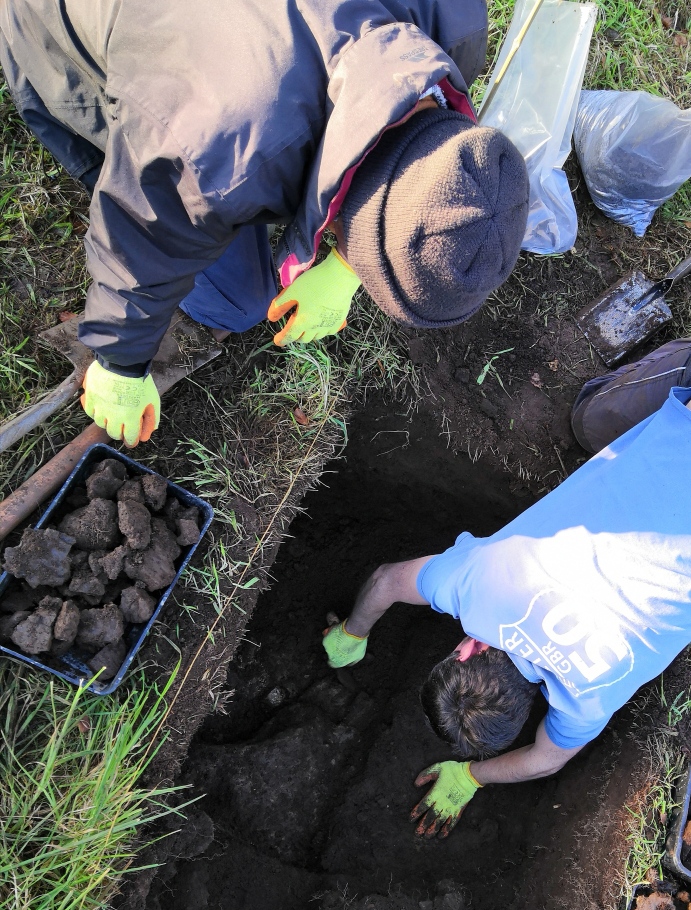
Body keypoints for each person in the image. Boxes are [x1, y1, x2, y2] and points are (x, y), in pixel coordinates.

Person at [0, 0, 529, 447]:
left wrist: (347, 266)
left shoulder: (453, 27)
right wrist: (118, 363)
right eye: (368, 270)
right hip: (63, 24)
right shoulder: (209, 155)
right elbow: (141, 228)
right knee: (235, 303)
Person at [323, 385, 691, 838]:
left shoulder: (589, 699)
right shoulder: (481, 584)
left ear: (532, 706)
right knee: (591, 415)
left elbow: (545, 761)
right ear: (466, 650)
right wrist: (351, 633)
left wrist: (473, 775)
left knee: (595, 417)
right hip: (681, 444)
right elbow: (386, 581)